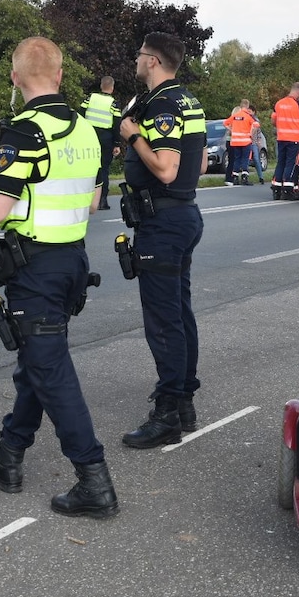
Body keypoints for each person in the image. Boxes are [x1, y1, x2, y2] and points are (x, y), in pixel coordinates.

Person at [0, 36, 118, 519]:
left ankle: (94, 480)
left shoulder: (25, 133)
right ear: (58, 75)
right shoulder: (86, 132)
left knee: (51, 373)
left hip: (35, 270)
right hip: (72, 262)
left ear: (15, 78)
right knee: (37, 361)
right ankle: (7, 457)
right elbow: (92, 203)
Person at [117, 31, 207, 449]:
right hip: (183, 215)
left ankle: (168, 411)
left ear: (152, 60)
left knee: (163, 320)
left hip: (164, 222)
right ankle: (184, 399)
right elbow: (201, 160)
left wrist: (132, 136)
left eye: (139, 55)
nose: (136, 60)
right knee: (179, 311)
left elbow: (168, 169)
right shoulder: (189, 100)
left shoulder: (162, 104)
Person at [80, 75, 122, 209]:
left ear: (101, 86)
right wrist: (117, 144)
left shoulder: (90, 98)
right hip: (106, 138)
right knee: (103, 169)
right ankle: (102, 200)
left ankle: (86, 198)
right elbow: (117, 125)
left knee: (87, 168)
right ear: (112, 88)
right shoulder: (113, 104)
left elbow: (80, 114)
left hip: (89, 136)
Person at [271, 82, 299, 200]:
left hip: (281, 137)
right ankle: (287, 190)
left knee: (280, 163)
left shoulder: (279, 103)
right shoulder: (298, 105)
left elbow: (273, 121)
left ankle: (276, 189)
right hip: (293, 139)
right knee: (290, 164)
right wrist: (298, 120)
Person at [223, 99, 259, 186]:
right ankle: (244, 178)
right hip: (245, 141)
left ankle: (235, 178)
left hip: (235, 141)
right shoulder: (248, 116)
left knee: (237, 159)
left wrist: (231, 130)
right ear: (247, 106)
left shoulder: (235, 115)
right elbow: (256, 124)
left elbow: (225, 123)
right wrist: (251, 133)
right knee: (245, 159)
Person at [248, 104, 266, 184]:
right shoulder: (246, 119)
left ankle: (261, 176)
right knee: (246, 159)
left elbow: (258, 132)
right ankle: (245, 176)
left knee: (256, 158)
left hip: (253, 142)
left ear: (253, 112)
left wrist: (259, 141)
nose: (248, 113)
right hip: (246, 141)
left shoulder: (256, 120)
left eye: (250, 111)